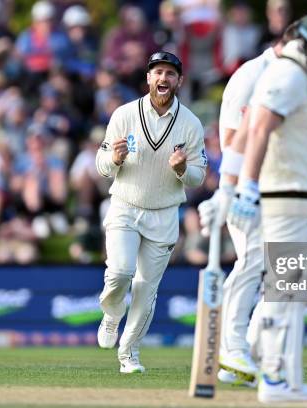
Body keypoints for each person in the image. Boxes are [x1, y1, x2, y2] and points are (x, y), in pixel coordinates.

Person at [228, 9, 307, 403]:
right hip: (284, 200)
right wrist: (242, 186)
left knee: (295, 292)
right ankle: (273, 378)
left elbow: (254, 128)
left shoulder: (295, 75)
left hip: (294, 198)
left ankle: (287, 380)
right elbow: (257, 128)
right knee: (285, 290)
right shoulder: (287, 75)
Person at [197, 21, 298, 387]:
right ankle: (232, 346)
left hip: (285, 189)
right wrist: (231, 189)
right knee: (254, 260)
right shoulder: (251, 75)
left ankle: (251, 356)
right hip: (248, 188)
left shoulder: (297, 79)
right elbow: (233, 138)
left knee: (290, 276)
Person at [95, 51, 206, 373]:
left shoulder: (190, 123)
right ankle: (112, 313)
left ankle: (129, 354)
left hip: (164, 213)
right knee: (119, 274)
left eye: (170, 74)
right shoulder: (124, 115)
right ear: (148, 78)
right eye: (158, 72)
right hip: (125, 207)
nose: (163, 79)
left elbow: (199, 177)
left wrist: (184, 169)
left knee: (146, 289)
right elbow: (101, 167)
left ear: (179, 81)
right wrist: (113, 160)